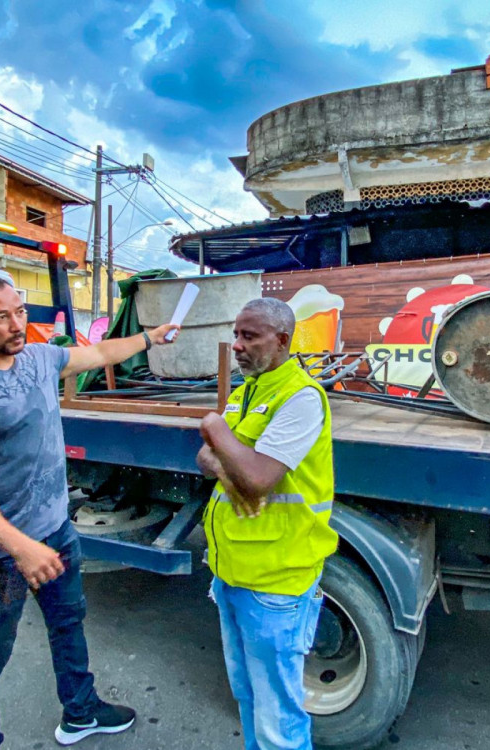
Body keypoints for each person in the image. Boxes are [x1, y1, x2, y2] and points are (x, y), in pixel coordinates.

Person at [0, 275, 178, 749]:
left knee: (68, 623)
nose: (16, 324)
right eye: (0, 317)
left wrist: (150, 338)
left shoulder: (39, 358)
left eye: (19, 311)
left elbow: (99, 353)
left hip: (55, 530)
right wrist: (21, 548)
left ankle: (81, 712)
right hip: (1, 552)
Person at [196, 298, 338, 750]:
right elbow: (205, 460)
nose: (237, 346)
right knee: (249, 698)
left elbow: (256, 477)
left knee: (279, 718)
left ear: (281, 340)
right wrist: (229, 465)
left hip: (275, 584)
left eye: (249, 336)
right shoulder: (247, 392)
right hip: (232, 572)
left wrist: (214, 427)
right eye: (236, 335)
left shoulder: (300, 397)